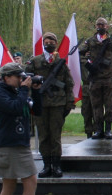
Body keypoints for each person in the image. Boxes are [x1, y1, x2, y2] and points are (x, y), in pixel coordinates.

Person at [0, 62, 48, 195]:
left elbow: (36, 110)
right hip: (10, 144)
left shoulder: (16, 92)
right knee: (30, 180)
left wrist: (36, 91)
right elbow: (15, 108)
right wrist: (24, 90)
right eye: (19, 77)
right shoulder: (0, 93)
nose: (22, 80)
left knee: (9, 183)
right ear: (7, 78)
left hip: (17, 142)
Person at [25, 31, 76, 177]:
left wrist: (69, 102)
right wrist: (30, 100)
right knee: (43, 136)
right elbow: (26, 82)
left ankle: (56, 165)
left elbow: (69, 83)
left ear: (56, 43)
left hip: (57, 103)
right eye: (46, 42)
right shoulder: (35, 61)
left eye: (52, 42)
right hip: (40, 104)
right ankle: (46, 165)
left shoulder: (61, 62)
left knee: (55, 136)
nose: (49, 44)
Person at [82, 18, 112, 139]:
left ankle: (108, 129)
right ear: (96, 26)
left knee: (109, 105)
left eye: (103, 25)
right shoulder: (90, 41)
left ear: (106, 26)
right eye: (98, 25)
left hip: (109, 78)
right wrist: (88, 65)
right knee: (96, 105)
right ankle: (99, 129)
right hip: (95, 79)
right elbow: (79, 54)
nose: (101, 27)